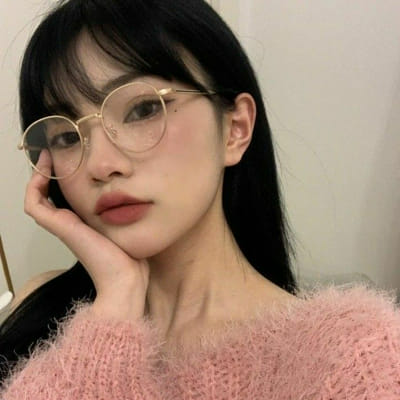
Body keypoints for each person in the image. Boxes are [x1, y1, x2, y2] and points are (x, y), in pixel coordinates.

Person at [0, 0, 399, 398]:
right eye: (66, 137)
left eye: (142, 109)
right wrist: (116, 304)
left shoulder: (356, 355)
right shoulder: (39, 309)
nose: (100, 165)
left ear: (235, 129)